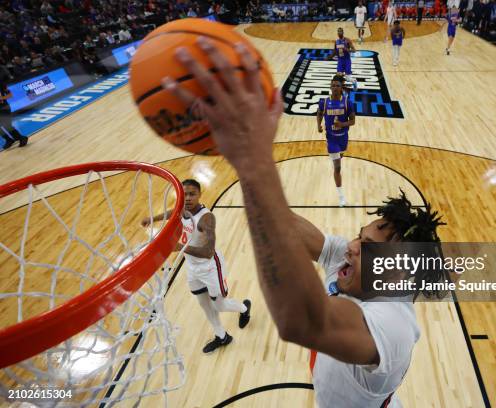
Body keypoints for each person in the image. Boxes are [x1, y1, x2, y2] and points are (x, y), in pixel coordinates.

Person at [160, 38, 447, 407]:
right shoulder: (355, 267)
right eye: (361, 236)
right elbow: (294, 230)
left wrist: (253, 163)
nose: (352, 245)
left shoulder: (393, 324)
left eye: (369, 247)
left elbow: (300, 319)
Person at [141, 179, 252, 353]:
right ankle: (222, 336)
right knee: (204, 304)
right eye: (184, 194)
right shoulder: (182, 209)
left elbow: (208, 252)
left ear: (200, 195)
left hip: (210, 267)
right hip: (192, 267)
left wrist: (180, 248)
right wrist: (152, 219)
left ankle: (245, 308)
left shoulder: (206, 219)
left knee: (219, 305)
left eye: (192, 194)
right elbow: (174, 212)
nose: (187, 198)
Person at [317, 75, 355, 207]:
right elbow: (319, 113)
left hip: (343, 137)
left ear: (341, 88)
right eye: (333, 85)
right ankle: (341, 197)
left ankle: (335, 159)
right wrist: (318, 125)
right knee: (338, 168)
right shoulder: (324, 102)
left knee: (340, 157)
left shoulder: (347, 103)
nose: (335, 88)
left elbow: (353, 121)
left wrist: (342, 124)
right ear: (330, 87)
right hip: (331, 139)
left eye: (337, 85)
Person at [0, 82, 27, 150]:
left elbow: (10, 95)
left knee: (7, 125)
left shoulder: (1, 84)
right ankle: (9, 140)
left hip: (4, 108)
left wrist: (2, 98)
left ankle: (21, 138)